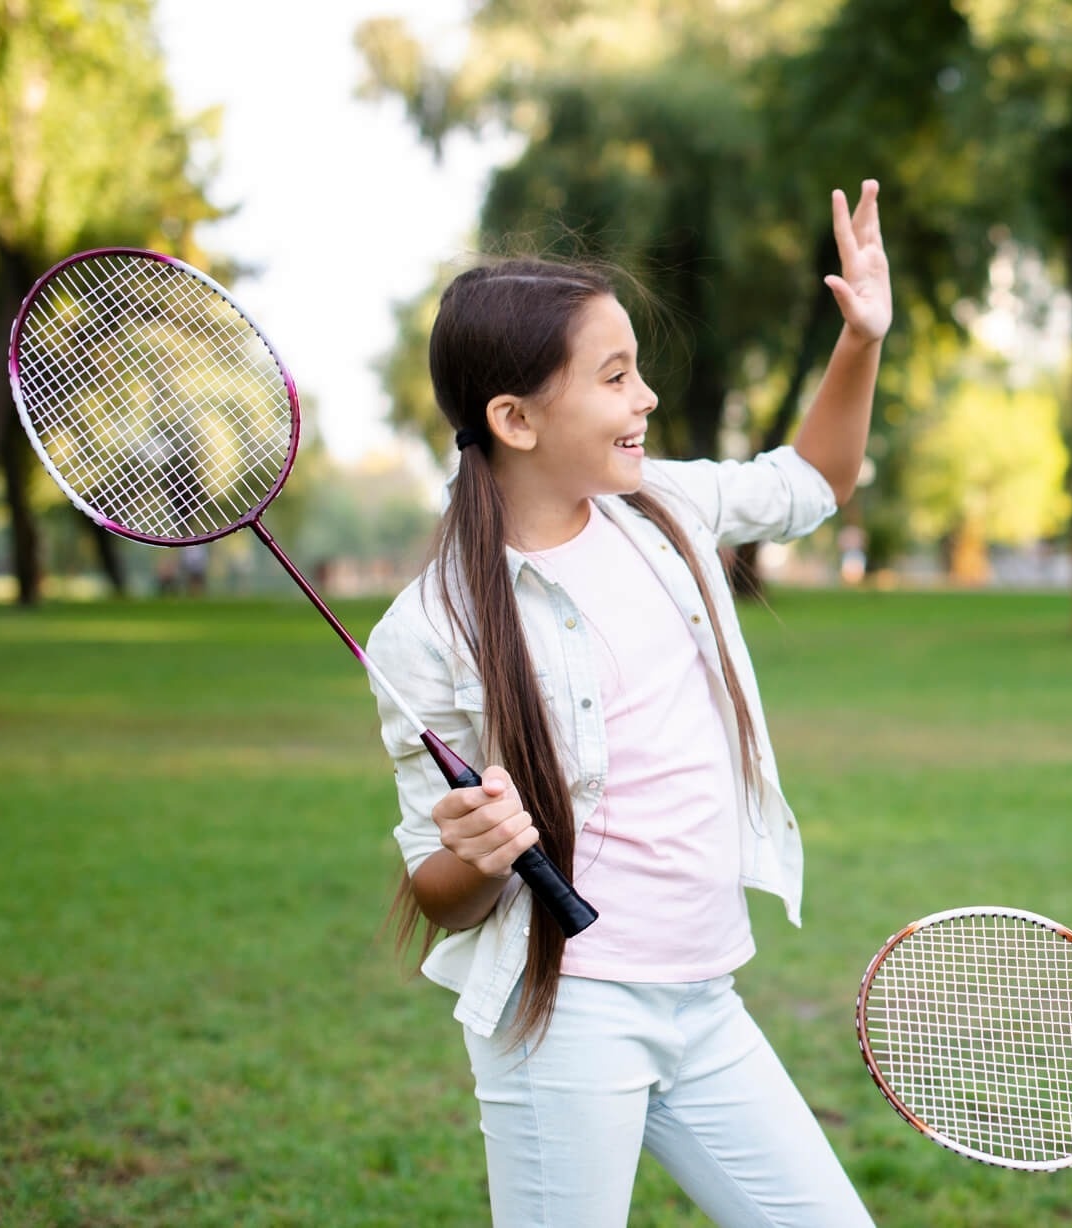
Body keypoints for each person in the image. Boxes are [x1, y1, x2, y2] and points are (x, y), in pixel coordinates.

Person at [364, 181, 889, 1227]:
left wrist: (861, 339)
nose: (645, 396)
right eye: (614, 377)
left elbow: (815, 480)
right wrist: (477, 852)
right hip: (566, 1017)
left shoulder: (664, 508)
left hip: (705, 996)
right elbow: (440, 893)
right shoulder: (428, 630)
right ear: (514, 419)